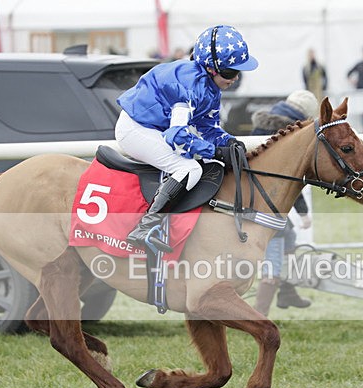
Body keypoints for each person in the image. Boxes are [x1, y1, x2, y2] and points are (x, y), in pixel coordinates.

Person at [116, 25, 259, 253]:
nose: (235, 78)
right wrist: (214, 151)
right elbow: (178, 137)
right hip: (135, 128)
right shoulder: (188, 85)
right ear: (211, 68)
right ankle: (144, 227)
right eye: (230, 72)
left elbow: (207, 127)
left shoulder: (211, 87)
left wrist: (228, 142)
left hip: (154, 127)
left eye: (238, 72)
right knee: (190, 169)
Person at [250, 90, 319, 315]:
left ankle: (287, 291)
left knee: (288, 234)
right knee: (277, 246)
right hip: (267, 206)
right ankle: (260, 316)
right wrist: (304, 212)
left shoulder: (261, 127)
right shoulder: (291, 134)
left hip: (250, 195)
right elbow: (288, 179)